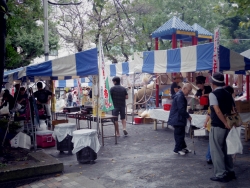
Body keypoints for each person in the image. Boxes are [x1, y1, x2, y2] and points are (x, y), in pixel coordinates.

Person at [209, 72, 235, 182]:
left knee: (216, 151)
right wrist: (228, 124)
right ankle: (230, 171)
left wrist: (224, 122)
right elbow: (233, 109)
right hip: (228, 126)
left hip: (218, 125)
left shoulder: (213, 94)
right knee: (226, 149)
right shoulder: (228, 93)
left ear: (213, 83)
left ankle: (220, 174)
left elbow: (217, 111)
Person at [168, 83, 192, 155]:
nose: (189, 92)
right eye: (189, 90)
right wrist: (187, 116)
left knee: (181, 133)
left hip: (178, 117)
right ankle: (177, 149)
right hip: (177, 118)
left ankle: (183, 147)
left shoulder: (180, 95)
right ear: (184, 89)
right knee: (179, 134)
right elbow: (181, 109)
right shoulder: (180, 96)